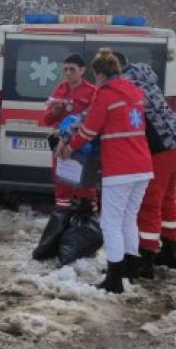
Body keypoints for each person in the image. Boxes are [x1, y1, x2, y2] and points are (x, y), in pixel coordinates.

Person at [57, 49, 152, 294]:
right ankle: (130, 269)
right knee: (128, 218)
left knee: (110, 223)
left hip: (120, 167)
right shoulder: (134, 91)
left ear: (99, 75)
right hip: (143, 166)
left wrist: (69, 146)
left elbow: (89, 129)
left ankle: (114, 279)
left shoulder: (106, 95)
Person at [114, 52, 176, 278]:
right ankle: (170, 250)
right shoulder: (143, 78)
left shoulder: (124, 87)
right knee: (167, 197)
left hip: (160, 149)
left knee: (149, 201)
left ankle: (145, 259)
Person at [42, 53, 98, 209]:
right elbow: (46, 120)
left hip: (82, 145)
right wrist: (56, 111)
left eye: (72, 70)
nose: (67, 73)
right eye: (65, 70)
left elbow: (95, 119)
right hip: (60, 145)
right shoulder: (59, 89)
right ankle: (62, 221)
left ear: (82, 70)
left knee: (86, 187)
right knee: (62, 186)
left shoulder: (92, 91)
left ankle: (86, 225)